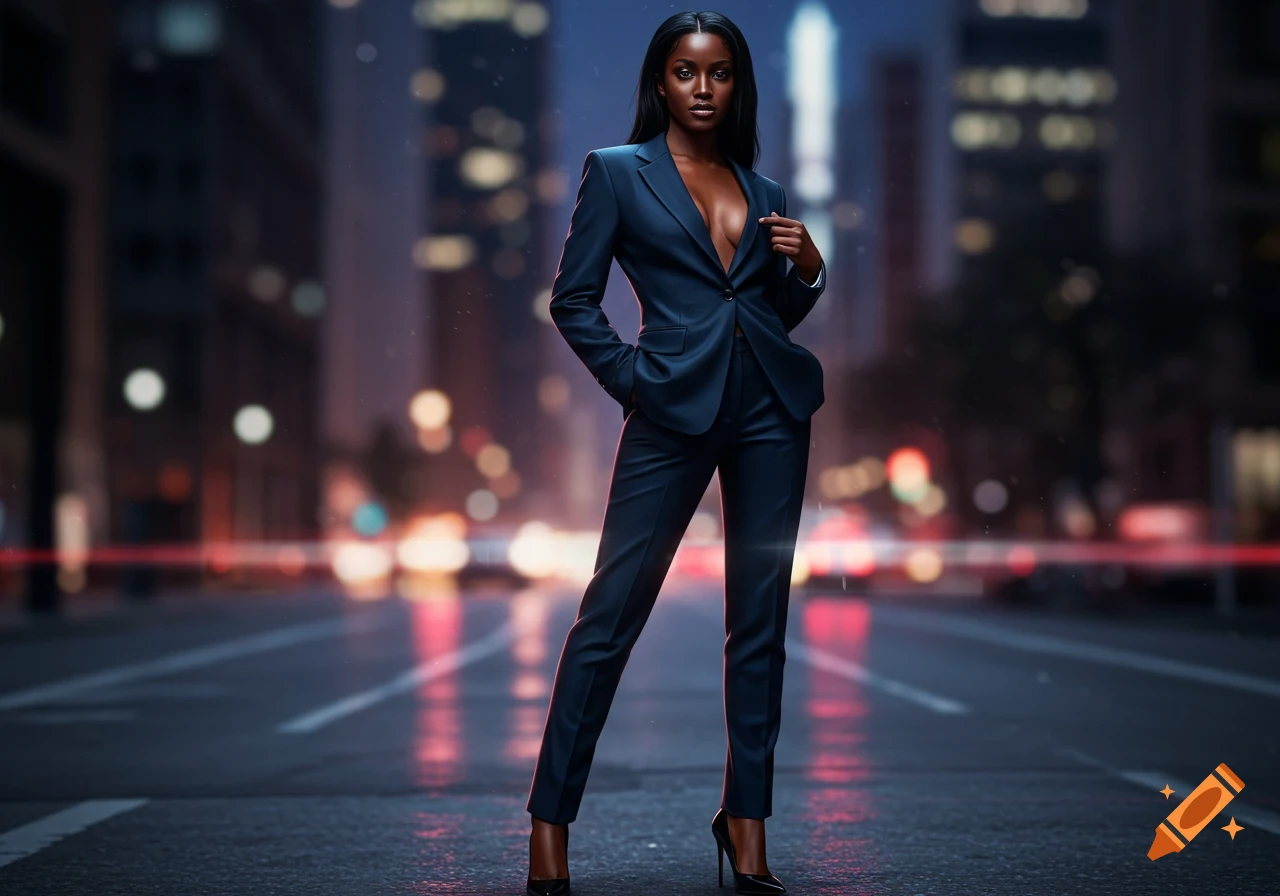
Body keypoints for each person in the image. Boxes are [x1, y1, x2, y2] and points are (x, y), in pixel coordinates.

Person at [526, 10, 826, 895]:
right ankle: (549, 828)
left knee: (759, 629)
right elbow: (572, 301)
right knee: (608, 617)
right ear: (661, 80)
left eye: (721, 72)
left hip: (772, 412)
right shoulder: (617, 175)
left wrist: (807, 267)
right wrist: (635, 381)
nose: (703, 88)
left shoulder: (763, 189)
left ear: (738, 84)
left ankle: (747, 831)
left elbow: (766, 315)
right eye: (687, 72)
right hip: (669, 413)